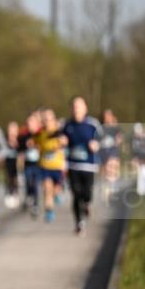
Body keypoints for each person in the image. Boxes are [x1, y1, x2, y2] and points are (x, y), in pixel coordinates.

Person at [62, 96, 102, 235]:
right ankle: (79, 223)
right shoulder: (67, 125)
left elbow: (102, 140)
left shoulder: (93, 124)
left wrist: (96, 145)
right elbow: (61, 142)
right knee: (75, 194)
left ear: (85, 108)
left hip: (89, 166)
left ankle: (87, 204)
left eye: (79, 106)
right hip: (73, 166)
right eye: (74, 106)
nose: (76, 109)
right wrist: (62, 142)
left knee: (87, 193)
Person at [34, 108, 67, 223]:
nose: (47, 122)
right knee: (47, 189)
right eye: (45, 120)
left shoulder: (59, 132)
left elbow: (65, 142)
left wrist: (61, 143)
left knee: (55, 190)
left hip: (58, 167)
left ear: (54, 120)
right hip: (45, 166)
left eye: (49, 119)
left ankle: (57, 193)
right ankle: (49, 211)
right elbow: (35, 143)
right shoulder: (40, 133)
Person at [20, 111, 43, 217]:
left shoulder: (41, 133)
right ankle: (29, 196)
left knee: (35, 184)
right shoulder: (24, 135)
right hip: (28, 163)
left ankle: (35, 204)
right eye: (28, 123)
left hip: (38, 163)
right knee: (28, 182)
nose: (30, 125)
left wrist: (37, 146)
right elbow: (20, 149)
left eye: (32, 123)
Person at [99, 109, 123, 199]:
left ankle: (112, 189)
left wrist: (117, 140)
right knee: (105, 172)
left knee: (112, 170)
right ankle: (106, 189)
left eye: (109, 116)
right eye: (105, 116)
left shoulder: (115, 127)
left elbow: (120, 138)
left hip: (113, 152)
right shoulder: (100, 128)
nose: (107, 118)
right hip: (103, 153)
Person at [4, 120, 21, 210]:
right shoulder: (5, 139)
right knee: (9, 177)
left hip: (17, 161)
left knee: (15, 178)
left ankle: (16, 193)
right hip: (8, 161)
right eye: (10, 129)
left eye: (13, 128)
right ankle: (10, 192)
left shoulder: (20, 139)